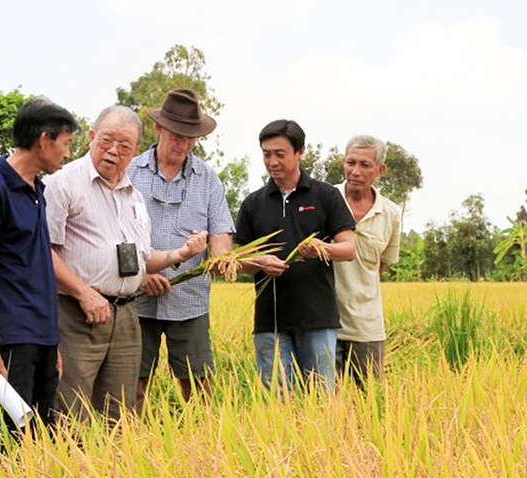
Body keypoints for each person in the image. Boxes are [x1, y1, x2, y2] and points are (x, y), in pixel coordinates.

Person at [43, 105, 208, 422]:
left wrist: (180, 254)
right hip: (76, 314)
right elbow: (42, 251)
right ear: (91, 137)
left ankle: (115, 472)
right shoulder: (62, 184)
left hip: (125, 315)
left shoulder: (132, 195)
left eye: (124, 146)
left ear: (135, 152)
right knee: (70, 410)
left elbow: (143, 258)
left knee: (119, 415)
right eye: (106, 141)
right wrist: (83, 292)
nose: (113, 151)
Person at [0, 97, 79, 432]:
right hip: (12, 339)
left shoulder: (37, 189)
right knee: (9, 442)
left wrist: (51, 342)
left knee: (43, 438)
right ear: (44, 139)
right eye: (66, 143)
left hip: (42, 337)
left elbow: (39, 263)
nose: (68, 153)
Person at [127, 89, 235, 412]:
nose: (183, 145)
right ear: (159, 129)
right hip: (136, 298)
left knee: (198, 382)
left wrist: (221, 257)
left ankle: (203, 449)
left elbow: (221, 231)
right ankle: (130, 447)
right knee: (133, 381)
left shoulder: (208, 179)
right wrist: (141, 273)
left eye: (190, 138)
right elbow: (114, 232)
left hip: (189, 298)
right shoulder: (130, 172)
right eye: (176, 136)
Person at [235, 119, 356, 392]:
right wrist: (259, 262)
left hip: (317, 318)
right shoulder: (254, 203)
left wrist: (321, 249)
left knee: (321, 400)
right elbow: (239, 260)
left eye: (280, 154)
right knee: (275, 401)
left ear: (300, 152)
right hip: (270, 321)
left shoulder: (325, 195)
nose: (272, 161)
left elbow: (349, 249)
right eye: (266, 154)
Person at [334, 135, 402, 387]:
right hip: (324, 325)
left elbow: (381, 267)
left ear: (380, 170)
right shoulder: (324, 199)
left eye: (365, 165)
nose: (355, 171)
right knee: (323, 407)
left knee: (370, 404)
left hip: (367, 327)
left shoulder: (391, 214)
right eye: (350, 163)